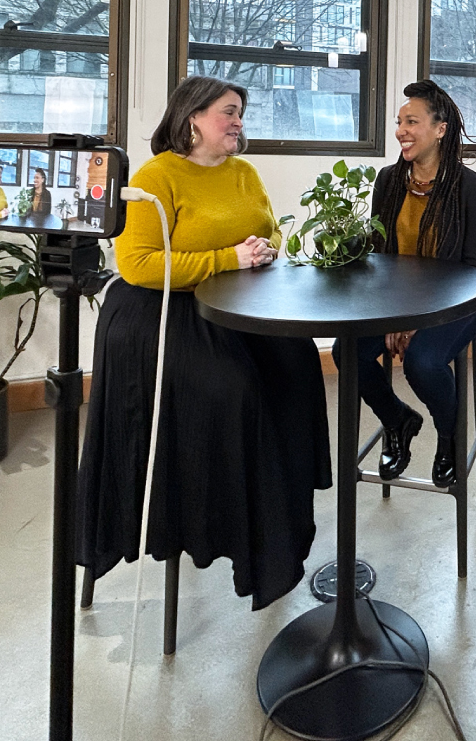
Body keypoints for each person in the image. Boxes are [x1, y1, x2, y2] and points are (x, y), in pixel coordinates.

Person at [76, 75, 330, 610]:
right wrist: (227, 259)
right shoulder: (155, 177)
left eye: (241, 112)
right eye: (229, 112)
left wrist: (264, 248)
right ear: (193, 117)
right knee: (236, 393)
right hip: (161, 312)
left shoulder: (243, 173)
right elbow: (139, 265)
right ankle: (221, 527)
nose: (238, 121)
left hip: (236, 305)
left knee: (299, 366)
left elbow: (271, 228)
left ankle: (279, 524)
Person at [333, 80, 476, 486]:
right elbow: (378, 260)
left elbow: (474, 269)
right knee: (345, 350)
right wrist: (391, 317)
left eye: (412, 121)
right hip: (394, 304)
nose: (401, 130)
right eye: (399, 121)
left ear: (440, 129)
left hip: (456, 305)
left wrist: (417, 322)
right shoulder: (388, 180)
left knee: (423, 361)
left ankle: (448, 436)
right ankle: (398, 420)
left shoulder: (468, 187)